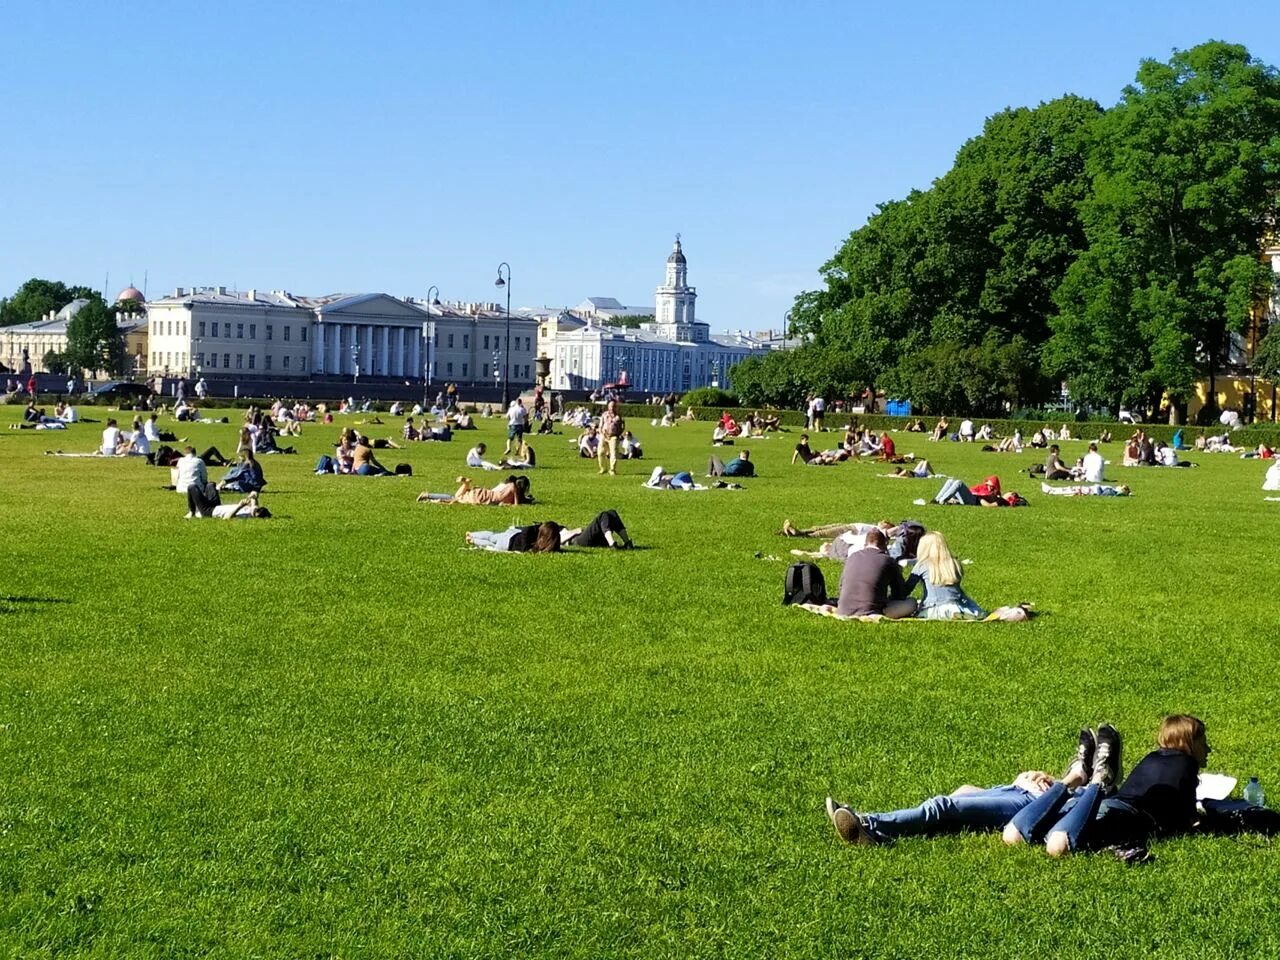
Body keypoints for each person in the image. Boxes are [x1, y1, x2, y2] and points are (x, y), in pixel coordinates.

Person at [1005, 716, 1207, 860]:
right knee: (1058, 847)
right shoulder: (1187, 765)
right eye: (1203, 743)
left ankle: (1075, 778)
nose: (1208, 749)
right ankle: (1099, 779)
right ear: (1188, 741)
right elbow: (1186, 820)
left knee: (1013, 836)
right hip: (1120, 817)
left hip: (1096, 805)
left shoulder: (1151, 757)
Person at [834, 528, 917, 619]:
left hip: (843, 610)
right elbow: (899, 594)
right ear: (885, 545)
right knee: (912, 602)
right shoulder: (888, 560)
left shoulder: (852, 557)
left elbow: (841, 586)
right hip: (871, 612)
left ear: (865, 544)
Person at [904, 531, 987, 620]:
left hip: (934, 607)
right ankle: (957, 613)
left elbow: (907, 589)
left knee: (914, 603)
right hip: (956, 605)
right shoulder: (954, 563)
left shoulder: (921, 565)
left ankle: (946, 613)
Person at [417, 474, 529, 505]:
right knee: (455, 501)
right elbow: (516, 505)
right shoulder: (514, 489)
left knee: (455, 497)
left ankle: (428, 495)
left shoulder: (508, 485)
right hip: (482, 498)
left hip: (481, 492)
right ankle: (432, 500)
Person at [465, 521, 563, 553]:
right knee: (491, 543)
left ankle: (472, 535)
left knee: (491, 537)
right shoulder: (548, 544)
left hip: (508, 538)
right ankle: (473, 540)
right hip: (508, 544)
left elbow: (527, 530)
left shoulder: (531, 533)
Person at [563, 509, 633, 549]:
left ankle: (627, 543)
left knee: (612, 513)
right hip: (576, 541)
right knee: (603, 515)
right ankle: (612, 544)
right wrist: (574, 532)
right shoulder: (554, 530)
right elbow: (558, 540)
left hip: (586, 538)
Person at [933, 475, 1003, 506]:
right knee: (950, 481)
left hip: (974, 501)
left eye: (992, 486)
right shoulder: (982, 487)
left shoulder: (995, 494)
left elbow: (998, 500)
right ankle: (937, 499)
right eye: (988, 485)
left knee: (959, 483)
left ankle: (942, 500)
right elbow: (971, 490)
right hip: (970, 497)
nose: (990, 487)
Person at [598, 398, 624, 475]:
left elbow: (622, 427)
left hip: (614, 436)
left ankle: (612, 470)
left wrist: (618, 434)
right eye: (610, 406)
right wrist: (602, 432)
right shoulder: (604, 415)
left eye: (613, 406)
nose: (612, 408)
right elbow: (600, 426)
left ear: (616, 407)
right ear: (608, 406)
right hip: (604, 435)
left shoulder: (618, 416)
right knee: (600, 453)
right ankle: (603, 468)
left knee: (613, 453)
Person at [1040, 482, 1131, 497]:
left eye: (1121, 486)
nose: (1119, 485)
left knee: (1069, 490)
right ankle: (1051, 490)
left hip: (1089, 490)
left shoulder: (1111, 490)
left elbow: (1101, 494)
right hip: (1089, 489)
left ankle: (1050, 490)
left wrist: (1097, 486)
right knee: (1069, 489)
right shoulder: (1112, 490)